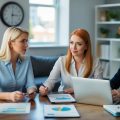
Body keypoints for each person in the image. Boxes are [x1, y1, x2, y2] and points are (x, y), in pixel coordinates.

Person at [39, 28, 103, 96]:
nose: (73, 47)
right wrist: (45, 88)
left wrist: (76, 90)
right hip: (64, 99)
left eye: (79, 44)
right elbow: (50, 80)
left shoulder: (95, 62)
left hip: (85, 99)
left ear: (86, 46)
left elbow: (100, 87)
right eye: (71, 43)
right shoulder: (61, 60)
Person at [0, 27, 37, 102]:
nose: (27, 45)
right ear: (10, 43)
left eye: (27, 41)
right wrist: (10, 96)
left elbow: (31, 84)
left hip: (20, 105)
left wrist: (31, 91)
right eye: (22, 41)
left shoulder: (27, 60)